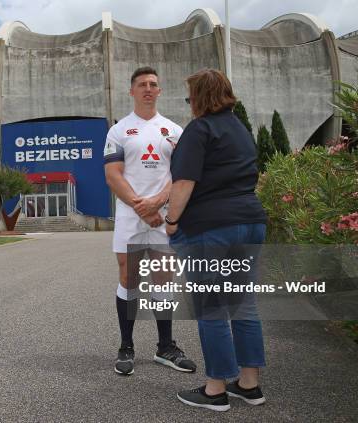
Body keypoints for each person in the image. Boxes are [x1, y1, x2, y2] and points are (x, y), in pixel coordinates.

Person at [165, 68, 268, 411]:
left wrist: (171, 220)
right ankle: (249, 385)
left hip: (211, 227)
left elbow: (184, 184)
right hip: (250, 222)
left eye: (190, 97)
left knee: (212, 308)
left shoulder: (200, 129)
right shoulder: (240, 130)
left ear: (199, 98)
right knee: (243, 304)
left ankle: (215, 389)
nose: (189, 104)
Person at [103, 66, 196, 376]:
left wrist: (159, 202)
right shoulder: (118, 131)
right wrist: (141, 206)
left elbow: (182, 175)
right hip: (131, 215)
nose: (147, 88)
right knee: (129, 279)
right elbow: (112, 175)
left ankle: (166, 347)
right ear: (131, 91)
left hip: (163, 214)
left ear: (159, 91)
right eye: (141, 84)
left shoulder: (174, 131)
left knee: (163, 278)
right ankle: (126, 346)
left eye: (153, 84)